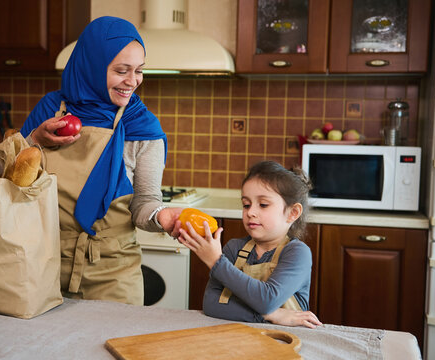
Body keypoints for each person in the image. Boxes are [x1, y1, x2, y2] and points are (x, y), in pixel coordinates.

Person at [20, 16, 182, 305]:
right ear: (92, 66)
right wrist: (35, 140)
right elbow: (6, 178)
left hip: (113, 274)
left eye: (139, 71)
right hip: (42, 267)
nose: (132, 82)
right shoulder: (50, 112)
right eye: (122, 70)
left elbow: (144, 203)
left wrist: (162, 217)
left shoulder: (143, 128)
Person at [178, 160, 322, 328]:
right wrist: (273, 316)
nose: (250, 212)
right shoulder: (234, 248)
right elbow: (211, 304)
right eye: (246, 205)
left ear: (293, 213)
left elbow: (267, 300)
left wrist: (216, 262)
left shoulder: (297, 253)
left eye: (263, 205)